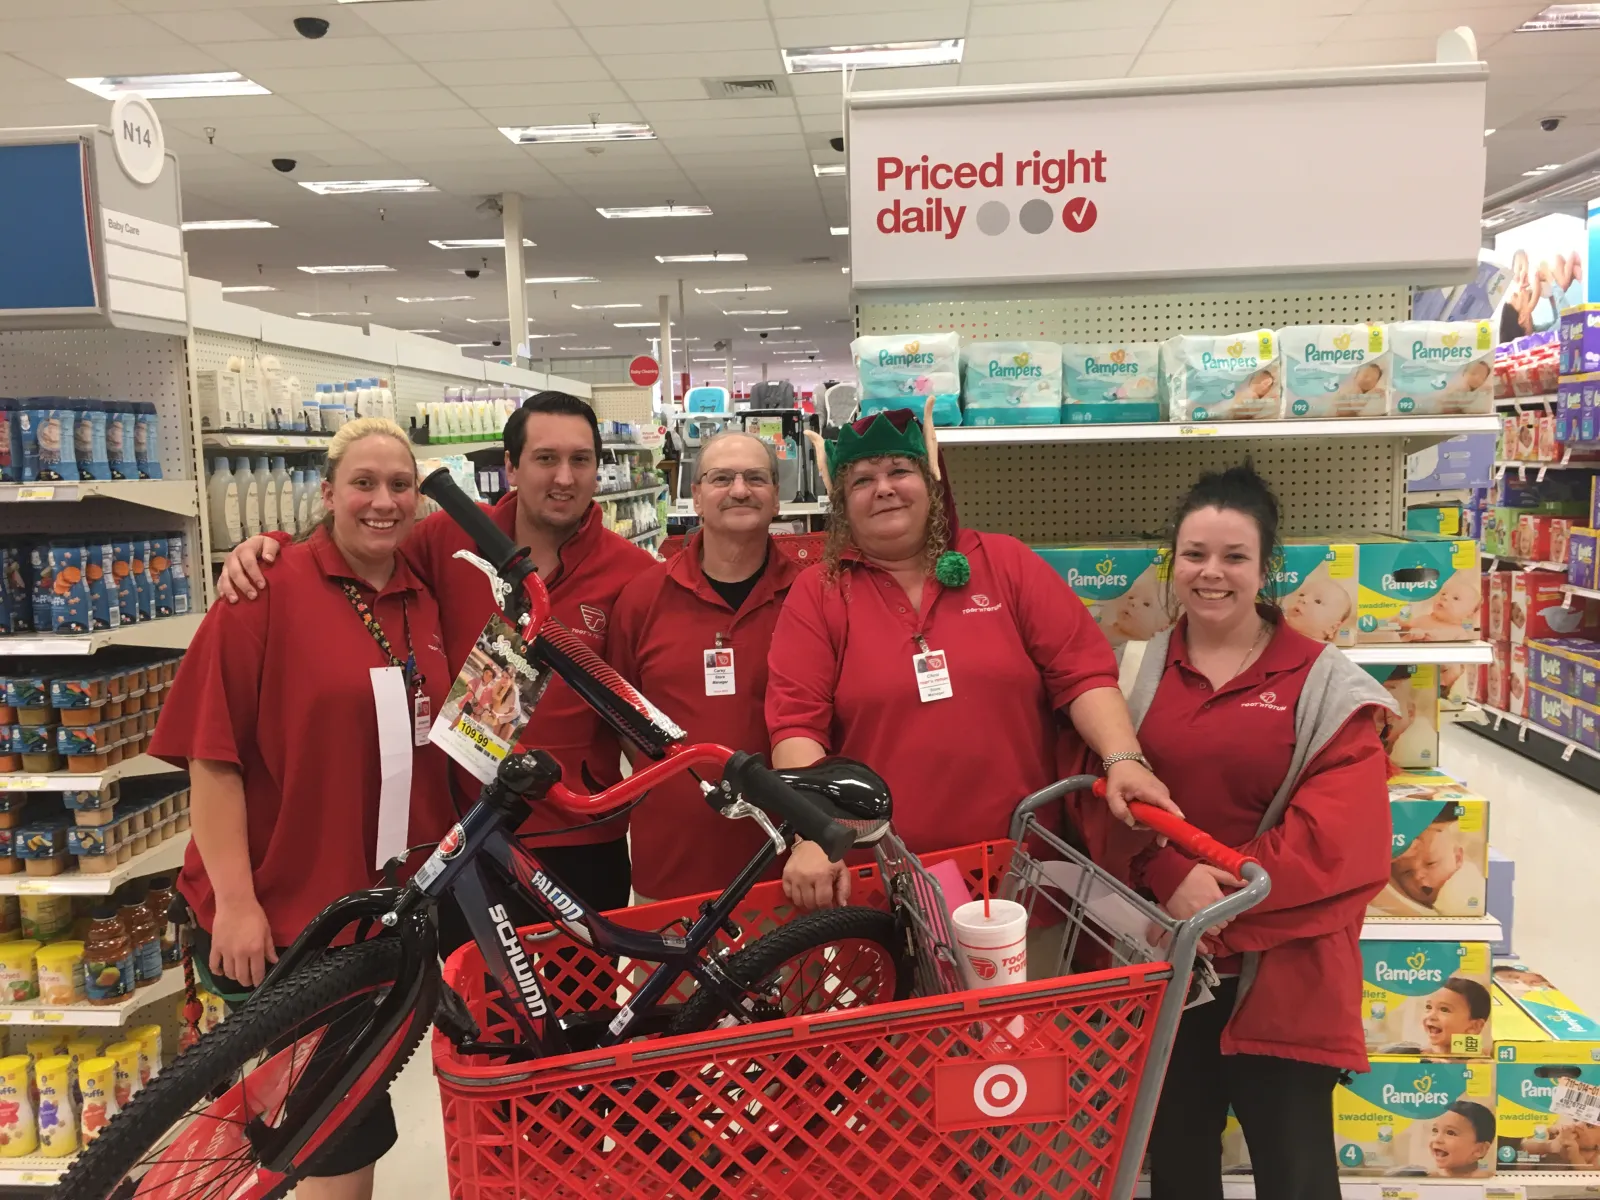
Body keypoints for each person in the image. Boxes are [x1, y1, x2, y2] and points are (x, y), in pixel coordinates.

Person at [150, 418, 455, 1200]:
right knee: (334, 1125)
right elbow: (211, 758)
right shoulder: (264, 591)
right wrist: (240, 904)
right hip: (290, 915)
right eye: (363, 483)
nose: (382, 501)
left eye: (400, 485)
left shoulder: (421, 595)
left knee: (348, 1101)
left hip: (380, 912)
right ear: (327, 493)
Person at [216, 392, 656, 919]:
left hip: (578, 836)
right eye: (545, 458)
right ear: (512, 467)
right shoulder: (447, 538)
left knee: (584, 994)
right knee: (471, 993)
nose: (564, 477)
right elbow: (361, 546)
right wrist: (269, 547)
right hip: (464, 830)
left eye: (580, 460)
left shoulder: (632, 572)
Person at [1106, 461, 1394, 1200]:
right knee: (1177, 1167)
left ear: (1268, 569)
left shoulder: (1324, 683)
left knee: (1296, 1172)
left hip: (1284, 977)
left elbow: (1338, 841)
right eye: (1194, 555)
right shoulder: (1133, 672)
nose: (1212, 573)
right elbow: (1095, 806)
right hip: (1166, 972)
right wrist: (1168, 878)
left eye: (1235, 557)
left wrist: (1216, 912)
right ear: (1172, 564)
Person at [765, 404, 1176, 911]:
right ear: (842, 503)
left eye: (899, 471)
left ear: (933, 480)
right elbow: (797, 723)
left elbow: (1081, 672)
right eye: (862, 480)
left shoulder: (1004, 562)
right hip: (886, 874)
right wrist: (814, 831)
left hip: (1021, 866)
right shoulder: (820, 591)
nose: (884, 488)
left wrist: (1123, 758)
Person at [610, 431, 800, 903]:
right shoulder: (643, 597)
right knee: (670, 981)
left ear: (777, 497)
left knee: (793, 977)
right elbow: (620, 715)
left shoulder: (810, 596)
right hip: (671, 862)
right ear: (695, 496)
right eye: (721, 478)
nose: (739, 490)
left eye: (756, 478)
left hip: (788, 865)